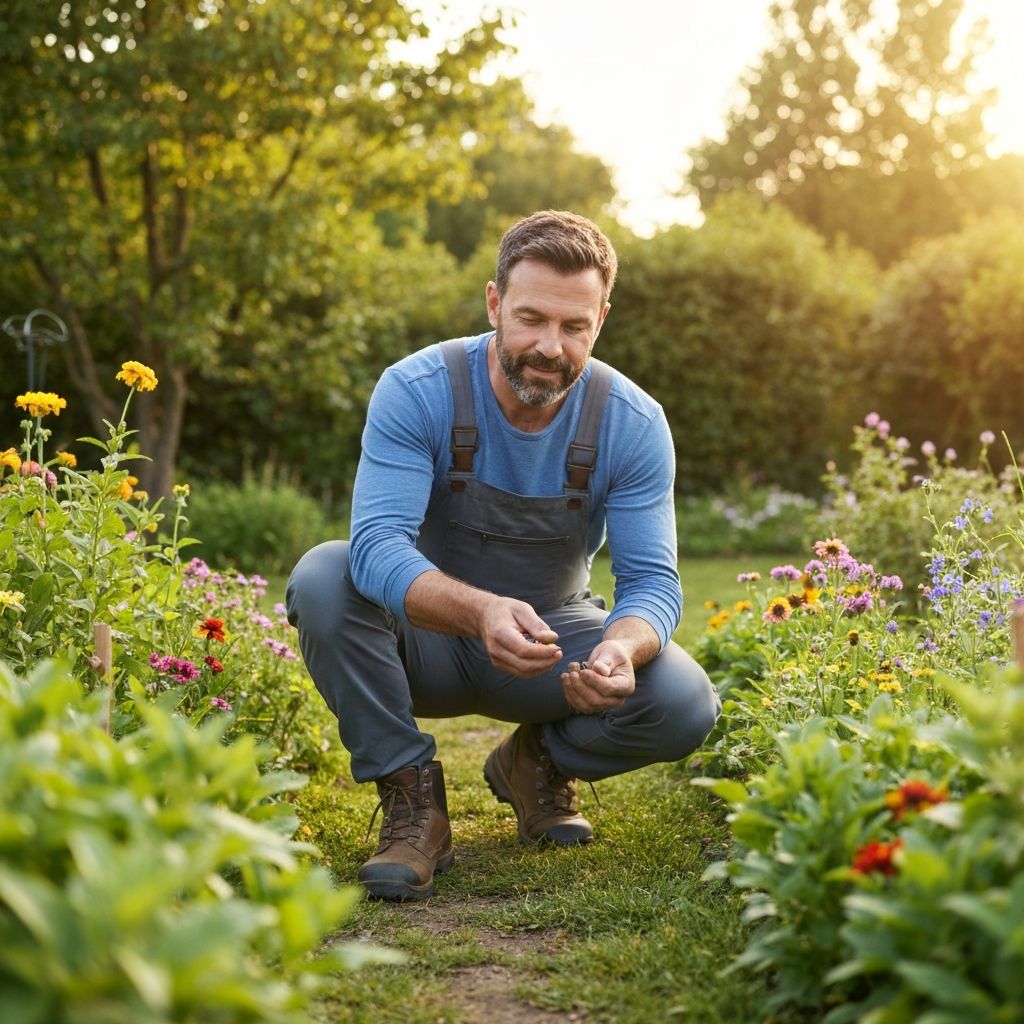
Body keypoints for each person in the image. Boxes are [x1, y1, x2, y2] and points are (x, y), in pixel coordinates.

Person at [287, 210, 721, 902]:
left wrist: (622, 647)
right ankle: (412, 801)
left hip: (552, 651)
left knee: (684, 700)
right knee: (323, 574)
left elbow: (652, 584)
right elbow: (376, 550)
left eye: (575, 326)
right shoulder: (418, 389)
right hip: (422, 643)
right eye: (531, 319)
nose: (550, 346)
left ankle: (534, 763)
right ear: (494, 303)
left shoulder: (633, 422)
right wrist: (482, 611)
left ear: (602, 320)